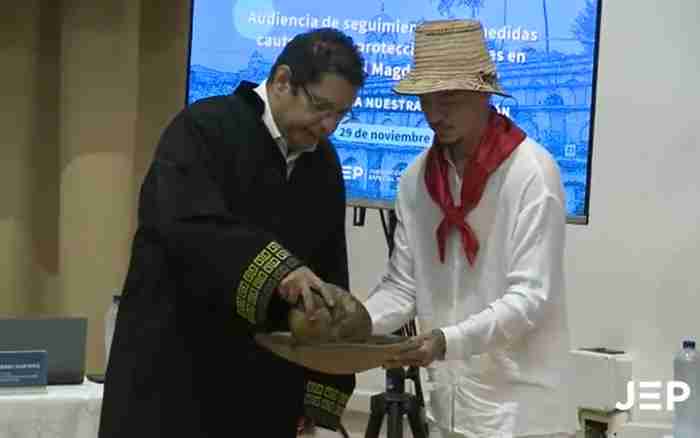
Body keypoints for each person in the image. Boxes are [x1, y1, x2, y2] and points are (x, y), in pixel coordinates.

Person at [98, 28, 367, 438]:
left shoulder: (323, 165)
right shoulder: (204, 127)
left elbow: (330, 269)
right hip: (174, 376)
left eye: (341, 115)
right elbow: (186, 227)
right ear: (282, 81)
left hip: (265, 390)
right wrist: (282, 271)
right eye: (320, 107)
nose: (329, 126)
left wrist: (319, 389)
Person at [363, 19, 575, 438]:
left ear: (483, 94)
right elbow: (403, 287)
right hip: (448, 409)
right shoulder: (416, 180)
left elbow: (530, 297)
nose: (434, 114)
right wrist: (355, 323)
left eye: (449, 98)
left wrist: (446, 341)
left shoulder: (531, 173)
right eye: (426, 99)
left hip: (523, 415)